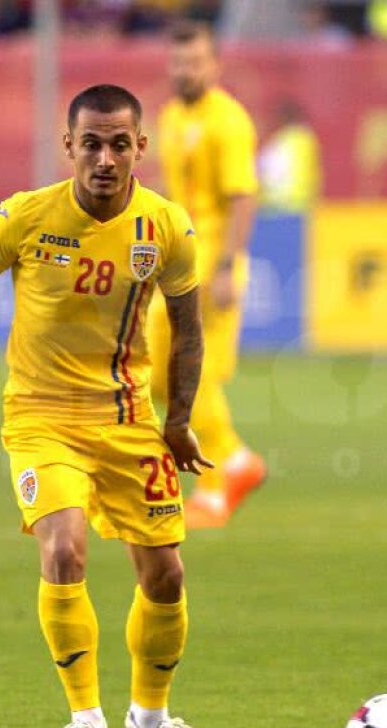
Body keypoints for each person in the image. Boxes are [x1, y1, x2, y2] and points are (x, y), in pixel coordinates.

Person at [0, 84, 222, 728]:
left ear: (141, 146)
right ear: (69, 147)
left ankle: (150, 717)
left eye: (120, 143)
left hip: (127, 418)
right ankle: (85, 721)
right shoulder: (26, 216)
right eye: (92, 143)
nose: (106, 158)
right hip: (40, 416)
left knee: (166, 572)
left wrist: (176, 422)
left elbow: (190, 329)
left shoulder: (165, 227)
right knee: (64, 549)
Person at [152, 20, 265, 528]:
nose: (185, 71)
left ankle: (217, 484)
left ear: (214, 66)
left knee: (193, 373)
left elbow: (243, 196)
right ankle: (236, 460)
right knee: (157, 369)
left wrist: (225, 266)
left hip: (212, 261)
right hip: (177, 261)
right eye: (178, 62)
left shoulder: (229, 121)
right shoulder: (171, 116)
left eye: (195, 62)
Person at [258, 100, 322, 215]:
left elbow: (269, 173)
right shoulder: (306, 139)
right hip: (301, 205)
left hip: (280, 206)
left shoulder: (285, 142)